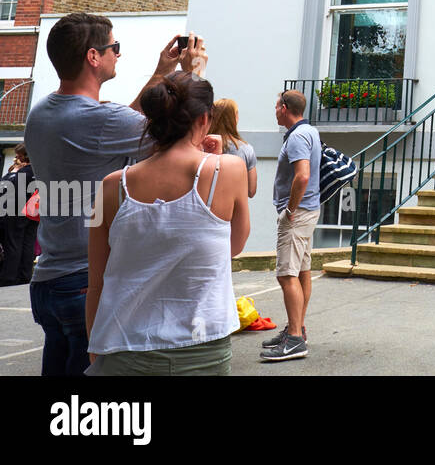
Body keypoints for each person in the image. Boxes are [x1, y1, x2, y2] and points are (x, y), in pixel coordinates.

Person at [23, 13, 202, 376]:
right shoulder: (101, 120)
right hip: (85, 280)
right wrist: (190, 76)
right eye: (114, 48)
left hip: (49, 281)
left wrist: (162, 74)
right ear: (93, 56)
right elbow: (176, 136)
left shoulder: (41, 112)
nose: (117, 54)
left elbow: (125, 123)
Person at [85, 73, 249, 375]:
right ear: (205, 118)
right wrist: (213, 158)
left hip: (123, 345)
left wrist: (94, 343)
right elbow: (234, 246)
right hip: (203, 346)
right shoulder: (230, 169)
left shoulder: (110, 187)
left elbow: (96, 282)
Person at [260, 89, 320, 362]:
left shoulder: (296, 137)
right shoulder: (310, 131)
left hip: (297, 215)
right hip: (309, 210)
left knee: (286, 275)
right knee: (302, 271)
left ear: (284, 108)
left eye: (275, 105)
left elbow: (302, 176)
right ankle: (297, 329)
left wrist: (289, 210)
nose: (274, 110)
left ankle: (295, 338)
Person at [0, 146, 38, 285]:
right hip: (33, 212)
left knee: (13, 244)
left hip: (16, 211)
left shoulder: (23, 172)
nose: (17, 157)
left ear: (25, 155)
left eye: (19, 155)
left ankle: (9, 276)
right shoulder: (38, 170)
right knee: (28, 244)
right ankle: (25, 274)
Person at [210, 99, 257, 198]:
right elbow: (251, 191)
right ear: (235, 117)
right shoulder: (245, 149)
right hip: (234, 209)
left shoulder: (203, 145)